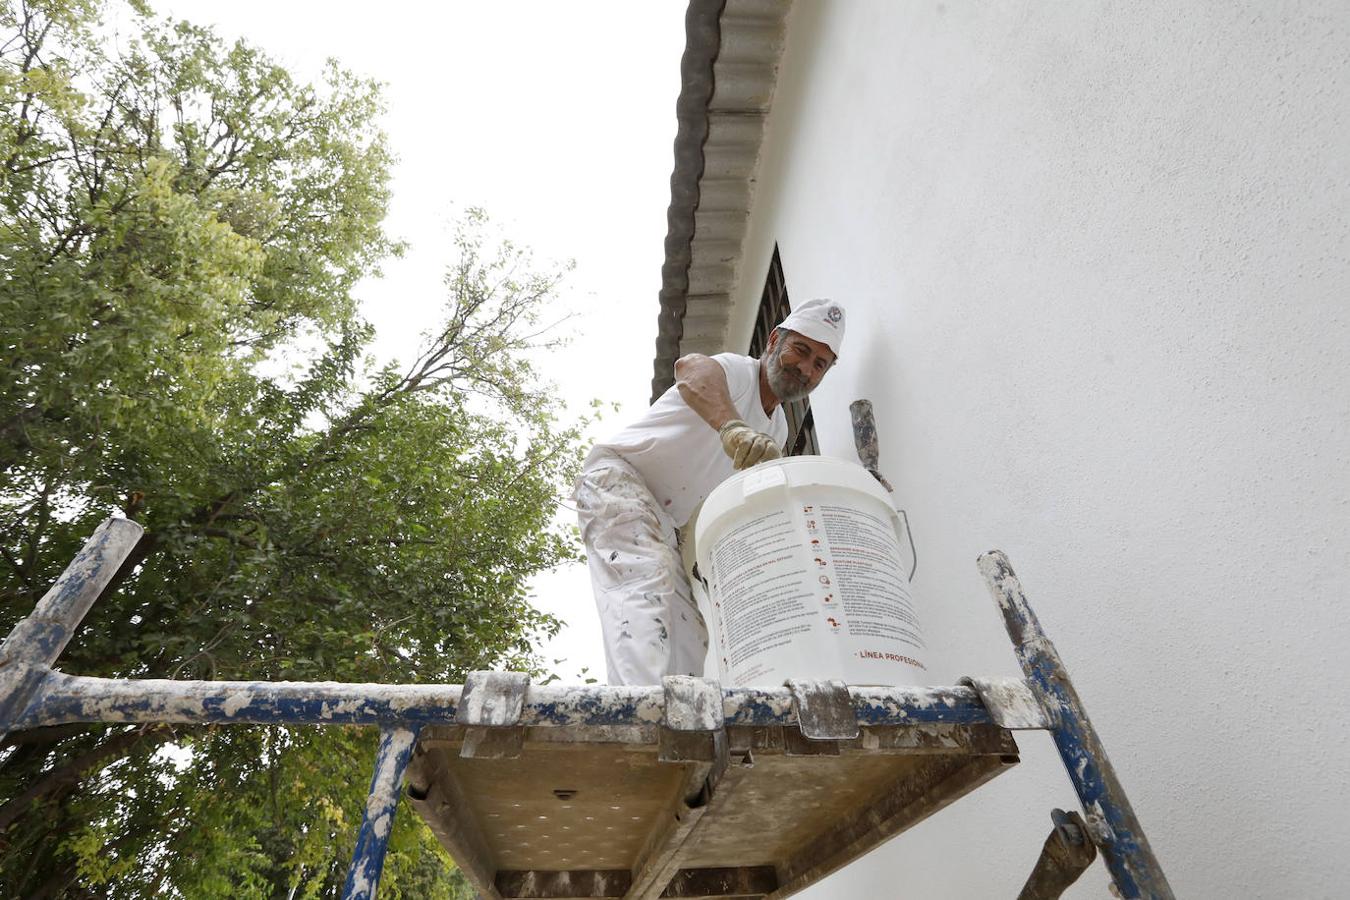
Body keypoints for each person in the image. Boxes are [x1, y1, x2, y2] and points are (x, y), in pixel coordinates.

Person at [574, 298, 846, 685]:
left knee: (690, 631)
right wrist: (732, 427)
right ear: (773, 341)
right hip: (619, 479)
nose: (805, 368)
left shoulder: (779, 430)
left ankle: (682, 719)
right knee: (645, 580)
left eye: (819, 364)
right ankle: (639, 709)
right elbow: (690, 369)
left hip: (665, 522)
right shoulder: (738, 372)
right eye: (800, 350)